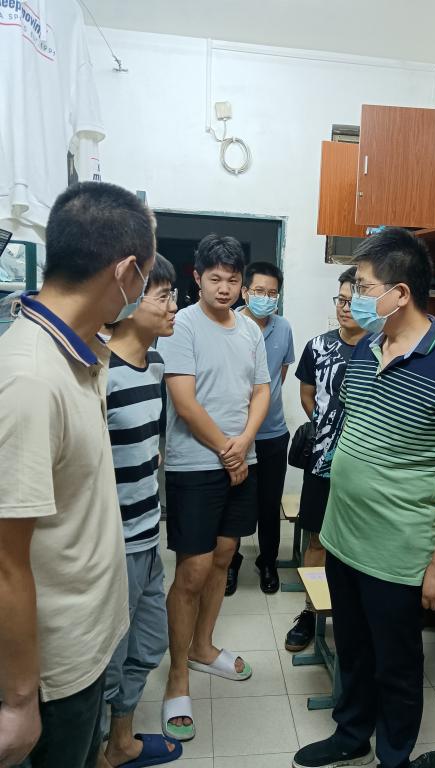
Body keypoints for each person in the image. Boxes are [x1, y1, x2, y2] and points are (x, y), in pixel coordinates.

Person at [293, 229, 435, 768]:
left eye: (362, 286)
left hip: (397, 552)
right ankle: (350, 734)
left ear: (399, 293)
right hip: (343, 537)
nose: (354, 297)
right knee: (353, 649)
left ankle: (394, 756)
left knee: (396, 665)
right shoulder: (366, 349)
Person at [0, 181, 156, 768]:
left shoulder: (79, 354)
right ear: (126, 273)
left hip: (86, 643)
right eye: (146, 278)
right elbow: (4, 558)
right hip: (51, 671)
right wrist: (20, 700)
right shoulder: (29, 378)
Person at [157, 234, 271, 741]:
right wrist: (228, 450)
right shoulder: (181, 325)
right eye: (215, 279)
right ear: (197, 278)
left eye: (233, 280)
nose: (224, 288)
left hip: (242, 459)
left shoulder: (249, 329)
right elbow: (184, 402)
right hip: (195, 464)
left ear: (241, 284)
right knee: (193, 569)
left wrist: (244, 443)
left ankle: (204, 647)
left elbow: (262, 390)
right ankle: (177, 675)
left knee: (224, 557)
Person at [102, 254, 181, 768]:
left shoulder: (153, 364)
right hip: (113, 546)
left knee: (149, 642)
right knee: (106, 657)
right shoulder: (99, 373)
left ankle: (121, 741)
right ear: (130, 300)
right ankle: (97, 750)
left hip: (148, 534)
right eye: (165, 296)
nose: (175, 307)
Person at [285, 267, 365, 652]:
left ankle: (353, 615)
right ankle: (309, 612)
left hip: (365, 467)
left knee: (357, 544)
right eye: (341, 300)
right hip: (322, 462)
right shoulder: (318, 346)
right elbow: (308, 394)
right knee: (317, 537)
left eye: (353, 301)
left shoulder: (383, 349)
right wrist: (325, 427)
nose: (344, 308)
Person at [226, 261, 295, 596]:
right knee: (235, 502)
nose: (266, 298)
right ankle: (230, 561)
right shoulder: (229, 324)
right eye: (259, 291)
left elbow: (277, 378)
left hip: (273, 434)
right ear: (245, 292)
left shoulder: (283, 329)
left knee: (269, 504)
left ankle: (267, 561)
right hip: (236, 436)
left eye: (272, 293)